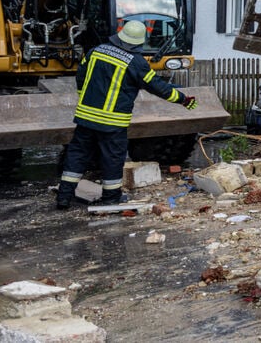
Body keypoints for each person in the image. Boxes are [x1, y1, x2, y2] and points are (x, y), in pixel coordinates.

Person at [56, 20, 198, 209]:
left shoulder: (95, 51)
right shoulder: (136, 63)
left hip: (85, 118)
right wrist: (183, 99)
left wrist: (83, 96)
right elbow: (158, 87)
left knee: (76, 155)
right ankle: (111, 198)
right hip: (112, 123)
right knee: (112, 159)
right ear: (138, 43)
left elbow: (81, 75)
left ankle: (64, 197)